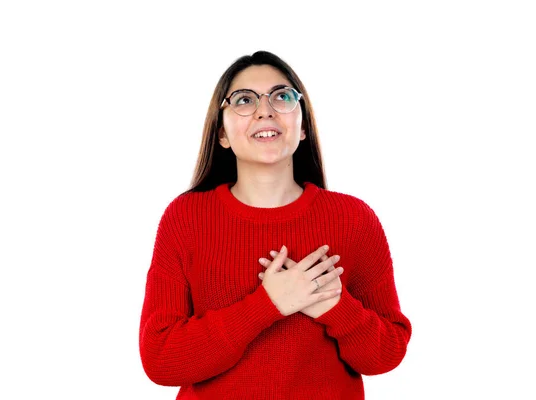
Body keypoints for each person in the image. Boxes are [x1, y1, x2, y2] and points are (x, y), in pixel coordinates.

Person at [138, 50, 412, 399]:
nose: (264, 110)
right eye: (244, 100)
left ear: (302, 129)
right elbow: (161, 359)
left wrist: (333, 306)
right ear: (221, 133)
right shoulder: (185, 218)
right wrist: (267, 304)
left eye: (282, 96)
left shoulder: (354, 219)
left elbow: (386, 356)